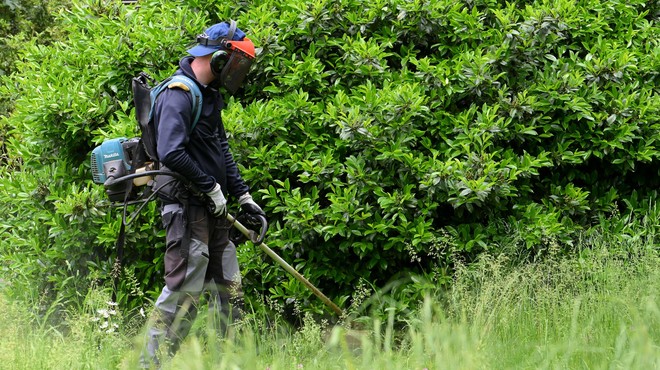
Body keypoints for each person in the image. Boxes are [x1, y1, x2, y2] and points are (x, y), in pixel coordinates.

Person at [140, 20, 266, 367]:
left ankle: (231, 361)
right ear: (219, 59)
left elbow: (220, 148)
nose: (239, 71)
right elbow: (171, 152)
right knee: (183, 296)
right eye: (237, 62)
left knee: (231, 291)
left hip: (214, 211)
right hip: (187, 209)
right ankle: (150, 364)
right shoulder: (179, 94)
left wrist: (243, 197)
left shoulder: (208, 94)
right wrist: (211, 187)